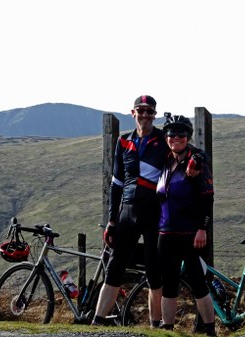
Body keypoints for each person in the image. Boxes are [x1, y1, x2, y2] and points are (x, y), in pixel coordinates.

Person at [92, 95, 167, 327]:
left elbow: (186, 152)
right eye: (140, 110)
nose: (145, 115)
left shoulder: (164, 140)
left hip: (154, 212)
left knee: (155, 272)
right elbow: (116, 184)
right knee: (115, 266)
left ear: (155, 114)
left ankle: (156, 325)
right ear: (132, 113)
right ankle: (97, 322)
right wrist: (111, 221)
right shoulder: (123, 142)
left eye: (149, 111)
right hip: (127, 211)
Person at [156, 114, 216, 336]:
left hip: (192, 234)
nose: (176, 138)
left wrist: (203, 228)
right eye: (171, 134)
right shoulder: (166, 161)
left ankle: (210, 330)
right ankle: (168, 330)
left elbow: (208, 198)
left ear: (188, 137)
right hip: (166, 233)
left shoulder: (196, 163)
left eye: (181, 134)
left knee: (198, 284)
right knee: (169, 284)